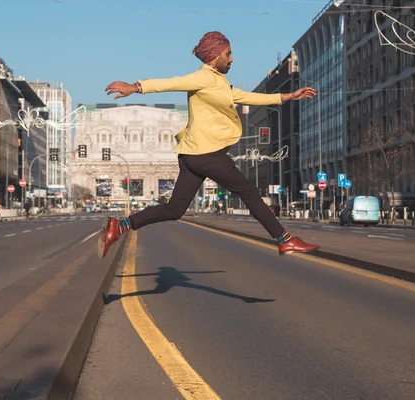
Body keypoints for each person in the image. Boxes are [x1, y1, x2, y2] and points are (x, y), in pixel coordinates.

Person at [98, 31, 320, 258]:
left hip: (191, 155)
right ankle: (285, 240)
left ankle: (120, 225)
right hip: (206, 154)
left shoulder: (219, 82)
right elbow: (172, 83)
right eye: (228, 54)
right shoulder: (203, 78)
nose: (232, 59)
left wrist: (287, 96)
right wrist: (136, 87)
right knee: (249, 192)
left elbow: (246, 97)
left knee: (175, 209)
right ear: (216, 55)